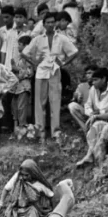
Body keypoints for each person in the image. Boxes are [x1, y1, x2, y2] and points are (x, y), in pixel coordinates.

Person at [22, 11, 77, 143]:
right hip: (41, 73)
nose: (51, 24)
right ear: (44, 24)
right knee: (40, 103)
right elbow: (24, 53)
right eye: (48, 22)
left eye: (53, 22)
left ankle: (56, 132)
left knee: (55, 101)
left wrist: (63, 63)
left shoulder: (61, 38)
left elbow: (74, 52)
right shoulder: (38, 39)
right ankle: (40, 132)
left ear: (55, 23)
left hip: (55, 72)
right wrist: (35, 63)